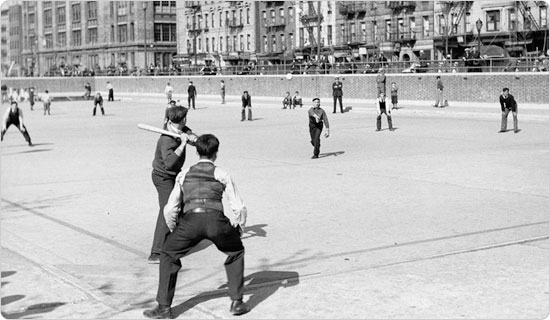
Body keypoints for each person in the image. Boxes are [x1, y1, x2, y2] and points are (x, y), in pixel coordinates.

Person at [143, 134, 250, 319]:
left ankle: (164, 307)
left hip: (190, 221)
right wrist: (238, 226)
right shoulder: (222, 174)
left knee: (168, 253)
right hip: (217, 220)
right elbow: (238, 206)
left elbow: (170, 209)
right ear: (216, 153)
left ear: (197, 151)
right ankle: (237, 302)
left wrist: (175, 227)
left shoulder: (184, 174)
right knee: (236, 251)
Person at [148, 106, 198, 264]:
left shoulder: (177, 128)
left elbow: (188, 132)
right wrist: (182, 144)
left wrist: (192, 137)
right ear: (182, 119)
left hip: (174, 176)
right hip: (163, 177)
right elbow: (169, 163)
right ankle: (156, 253)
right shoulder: (166, 139)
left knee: (182, 206)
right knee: (168, 210)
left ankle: (178, 242)